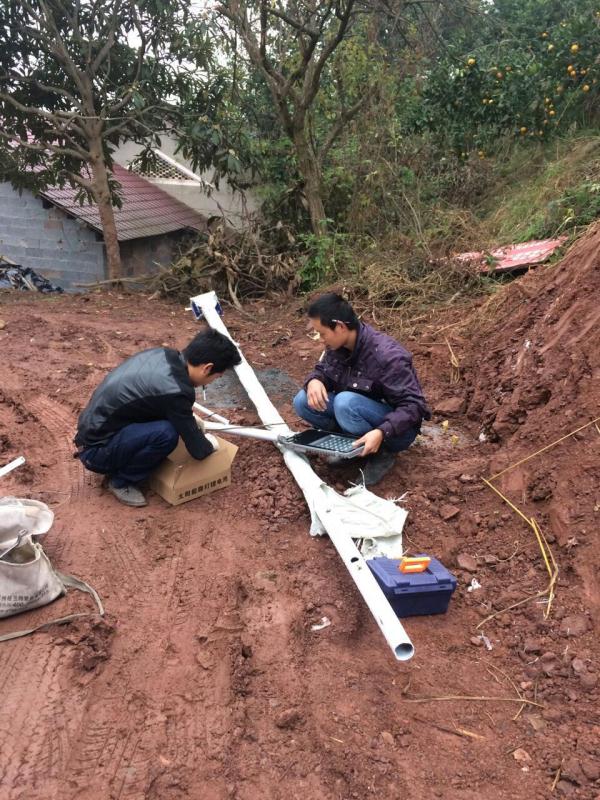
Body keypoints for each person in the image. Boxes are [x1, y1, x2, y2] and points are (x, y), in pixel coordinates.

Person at [74, 328, 241, 507]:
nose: (212, 381)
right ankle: (121, 482)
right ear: (207, 368)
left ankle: (122, 457)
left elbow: (160, 403)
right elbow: (199, 451)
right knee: (167, 434)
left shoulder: (165, 355)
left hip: (93, 432)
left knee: (170, 425)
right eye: (217, 376)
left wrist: (188, 421)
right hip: (96, 452)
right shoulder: (177, 391)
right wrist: (209, 444)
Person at [293, 292, 430, 486]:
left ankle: (382, 453)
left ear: (340, 327)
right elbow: (323, 371)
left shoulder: (387, 356)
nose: (320, 339)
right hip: (357, 415)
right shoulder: (336, 348)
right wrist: (315, 380)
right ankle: (350, 445)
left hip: (396, 433)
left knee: (345, 403)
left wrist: (382, 432)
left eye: (322, 333)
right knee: (302, 400)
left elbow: (414, 406)